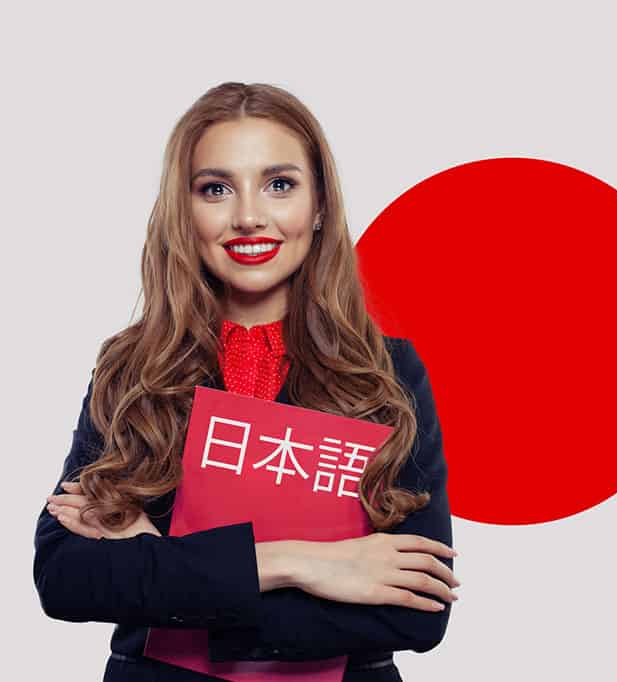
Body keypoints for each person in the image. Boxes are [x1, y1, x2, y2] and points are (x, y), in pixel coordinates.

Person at [32, 81, 459, 682]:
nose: (249, 215)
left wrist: (159, 565)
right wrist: (296, 563)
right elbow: (66, 577)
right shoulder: (136, 369)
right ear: (186, 211)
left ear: (318, 210)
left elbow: (418, 611)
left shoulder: (386, 375)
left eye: (279, 184)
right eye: (216, 188)